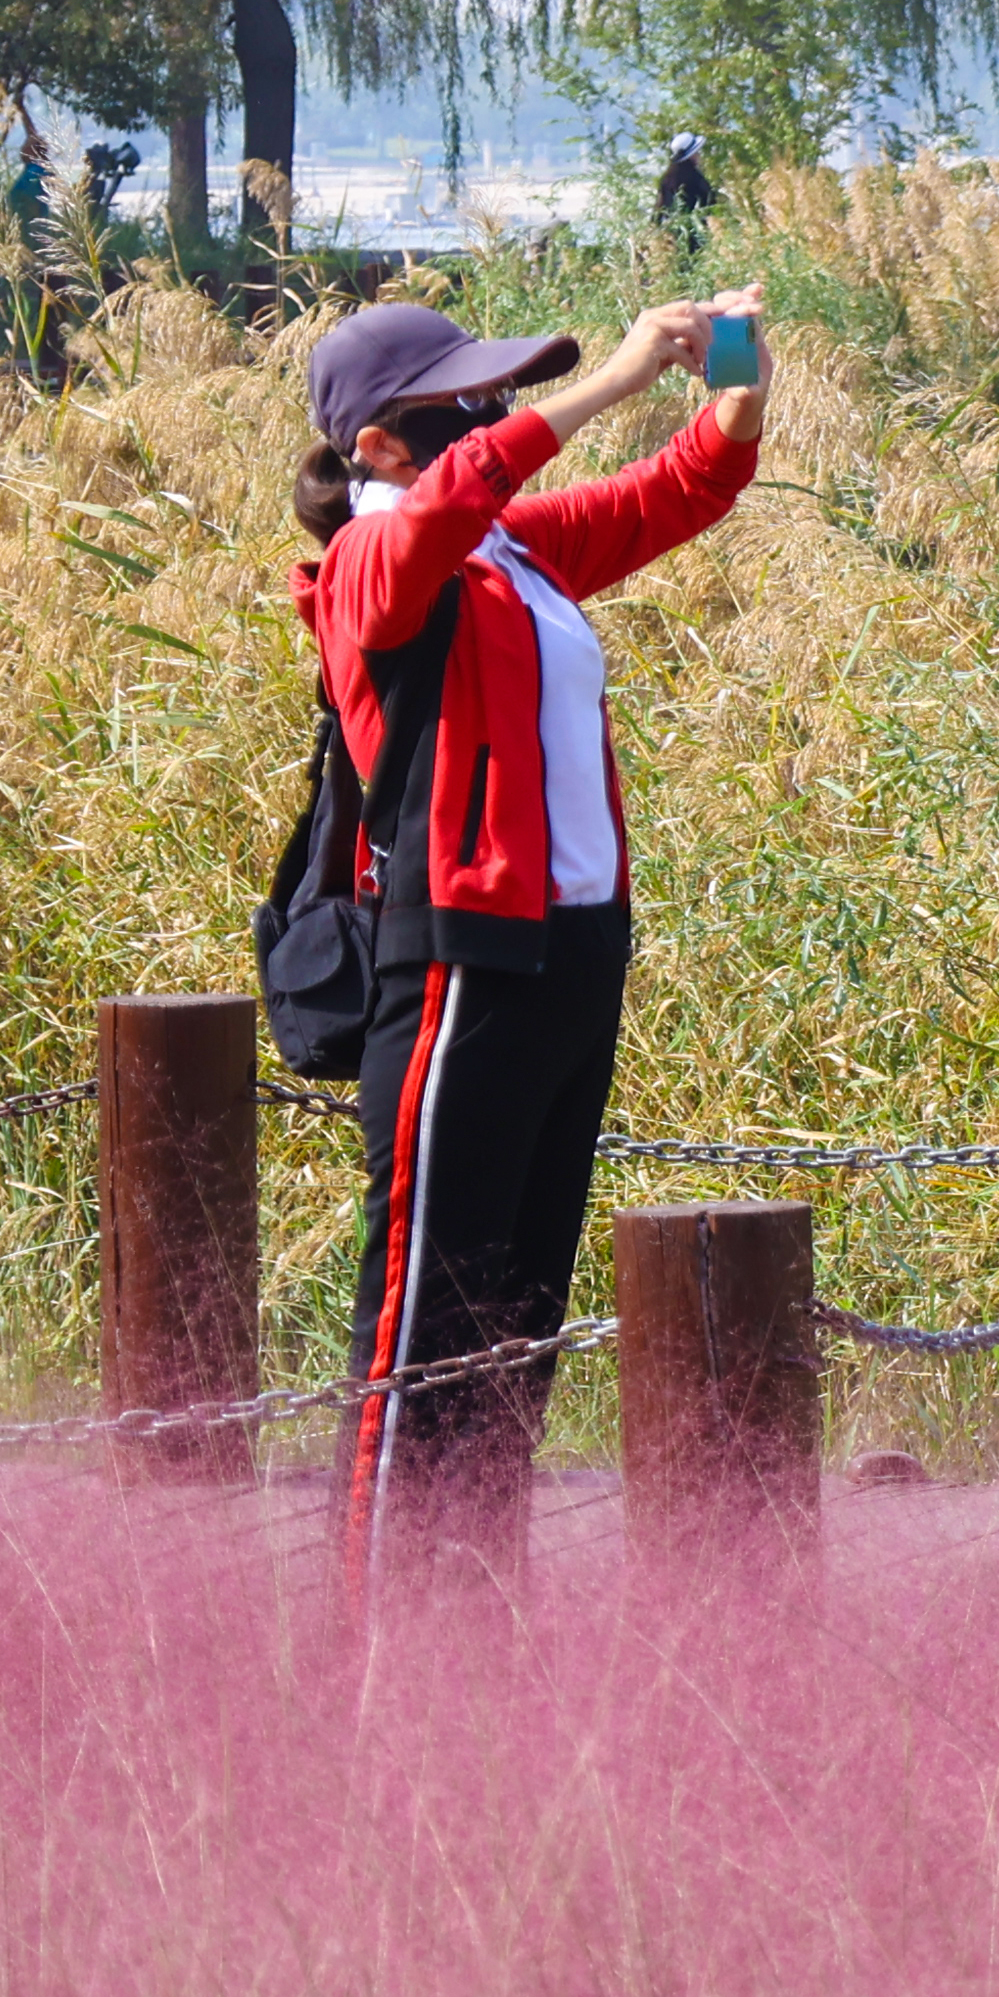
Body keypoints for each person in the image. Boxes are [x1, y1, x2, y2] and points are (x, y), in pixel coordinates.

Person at [293, 288, 766, 1582]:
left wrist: (727, 355)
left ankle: (474, 1632)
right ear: (383, 448)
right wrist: (614, 376)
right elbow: (455, 508)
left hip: (572, 963)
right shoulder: (371, 563)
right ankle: (381, 1648)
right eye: (472, 405)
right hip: (459, 964)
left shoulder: (517, 552)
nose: (501, 416)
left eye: (503, 394)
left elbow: (693, 483)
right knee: (422, 1330)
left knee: (517, 1325)